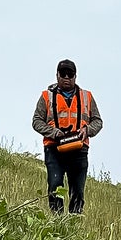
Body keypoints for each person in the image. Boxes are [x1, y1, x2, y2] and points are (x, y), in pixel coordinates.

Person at [32, 59, 102, 215]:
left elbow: (98, 121)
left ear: (75, 77)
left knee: (77, 189)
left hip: (79, 149)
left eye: (70, 74)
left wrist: (87, 130)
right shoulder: (46, 96)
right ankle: (57, 221)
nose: (66, 77)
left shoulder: (87, 97)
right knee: (55, 184)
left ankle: (73, 223)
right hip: (54, 148)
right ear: (57, 76)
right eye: (63, 74)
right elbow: (36, 121)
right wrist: (54, 133)